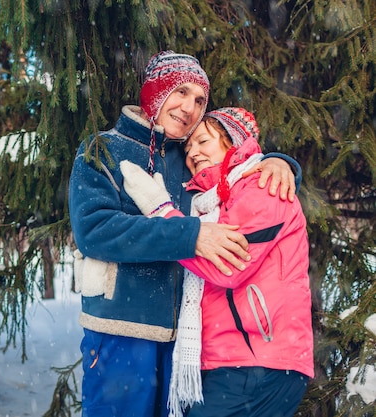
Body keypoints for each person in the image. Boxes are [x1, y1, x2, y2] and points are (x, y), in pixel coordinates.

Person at [68, 50, 301, 417]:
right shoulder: (103, 149)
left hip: (186, 346)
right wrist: (189, 236)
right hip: (122, 328)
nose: (189, 108)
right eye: (180, 92)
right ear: (156, 92)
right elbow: (95, 231)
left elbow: (238, 177)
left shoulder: (189, 158)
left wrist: (279, 163)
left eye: (199, 100)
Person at [120, 107, 313, 417]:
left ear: (232, 143)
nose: (193, 153)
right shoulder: (213, 202)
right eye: (188, 147)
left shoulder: (264, 187)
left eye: (203, 141)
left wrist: (162, 211)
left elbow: (227, 264)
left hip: (259, 360)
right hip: (231, 361)